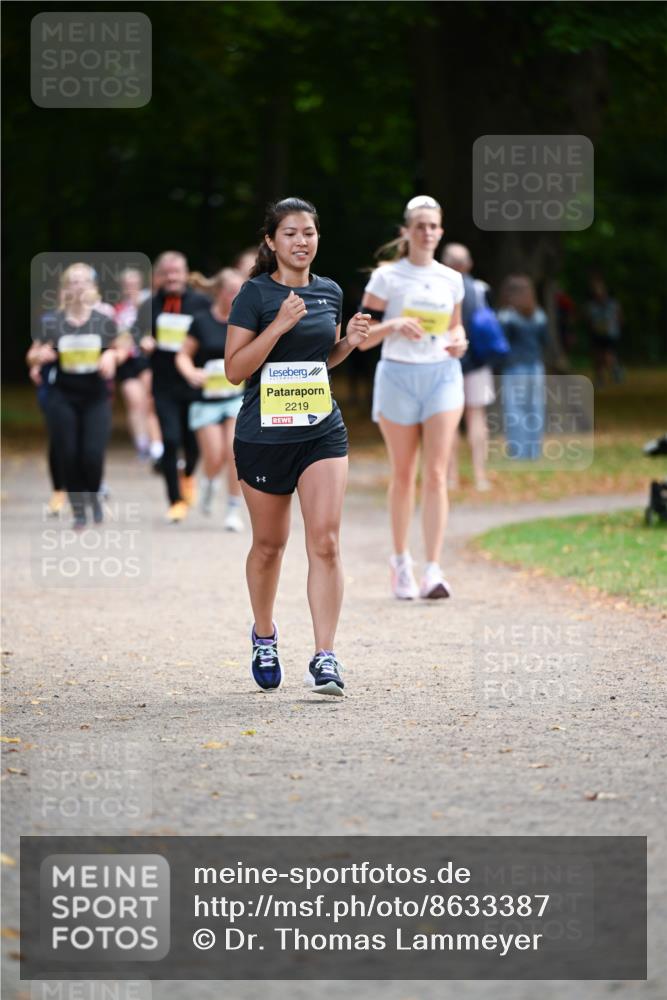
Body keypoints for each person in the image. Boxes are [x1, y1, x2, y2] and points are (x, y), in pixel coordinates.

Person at [225, 197, 370, 696]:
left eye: (308, 232)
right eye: (290, 233)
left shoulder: (330, 291)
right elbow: (235, 369)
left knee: (326, 542)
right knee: (269, 546)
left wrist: (347, 341)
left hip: (319, 430)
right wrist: (279, 325)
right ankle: (264, 635)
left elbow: (317, 362)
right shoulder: (254, 295)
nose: (301, 241)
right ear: (271, 241)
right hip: (263, 436)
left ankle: (325, 656)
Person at [358, 195, 468, 601]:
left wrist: (459, 342)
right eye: (419, 225)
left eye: (433, 225)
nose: (427, 232)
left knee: (437, 473)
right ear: (406, 231)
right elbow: (360, 339)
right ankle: (401, 561)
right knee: (404, 473)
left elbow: (456, 331)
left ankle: (434, 569)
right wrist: (393, 324)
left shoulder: (451, 279)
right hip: (398, 377)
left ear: (441, 231)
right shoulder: (386, 278)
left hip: (442, 375)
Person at [33, 263, 124, 527]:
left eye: (84, 281)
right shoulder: (52, 322)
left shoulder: (104, 321)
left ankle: (93, 494)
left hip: (95, 396)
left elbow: (121, 347)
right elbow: (32, 355)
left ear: (93, 288)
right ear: (64, 289)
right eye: (73, 281)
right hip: (62, 396)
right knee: (68, 453)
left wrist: (111, 354)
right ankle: (78, 509)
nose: (79, 285)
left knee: (92, 454)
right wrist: (38, 356)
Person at [137, 252, 210, 522]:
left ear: (185, 272)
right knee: (169, 440)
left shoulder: (201, 303)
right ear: (159, 276)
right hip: (164, 382)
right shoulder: (148, 305)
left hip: (195, 381)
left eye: (176, 272)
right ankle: (175, 499)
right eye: (167, 273)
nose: (172, 277)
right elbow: (136, 334)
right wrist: (143, 342)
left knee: (193, 443)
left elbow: (214, 333)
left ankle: (188, 474)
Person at [175, 268, 245, 529]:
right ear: (219, 292)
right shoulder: (201, 320)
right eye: (232, 291)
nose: (237, 296)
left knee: (235, 451)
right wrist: (190, 371)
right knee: (214, 455)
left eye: (242, 291)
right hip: (204, 400)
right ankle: (209, 482)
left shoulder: (246, 321)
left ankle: (232, 511)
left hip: (234, 398)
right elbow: (182, 354)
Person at [441, 243, 495, 492]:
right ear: (469, 264)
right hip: (478, 362)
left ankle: (451, 478)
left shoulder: (438, 289)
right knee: (477, 417)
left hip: (447, 361)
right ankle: (480, 476)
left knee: (450, 421)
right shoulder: (481, 288)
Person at [497, 275, 548, 461]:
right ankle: (534, 451)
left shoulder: (507, 317)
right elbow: (545, 341)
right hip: (536, 366)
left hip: (514, 367)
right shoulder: (539, 315)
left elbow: (501, 344)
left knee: (515, 409)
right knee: (535, 408)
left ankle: (518, 451)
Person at [113, 267, 160, 461]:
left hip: (146, 359)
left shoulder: (149, 304)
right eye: (127, 284)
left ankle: (156, 445)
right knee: (134, 402)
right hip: (127, 360)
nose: (130, 287)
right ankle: (141, 444)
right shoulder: (117, 310)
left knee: (149, 401)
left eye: (134, 283)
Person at [584, 273, 623, 387]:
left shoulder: (612, 304)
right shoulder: (591, 306)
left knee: (607, 357)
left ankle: (616, 371)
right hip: (597, 334)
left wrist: (616, 327)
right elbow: (589, 320)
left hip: (610, 334)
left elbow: (619, 317)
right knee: (597, 358)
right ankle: (599, 379)